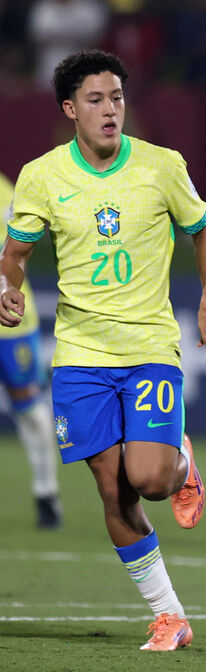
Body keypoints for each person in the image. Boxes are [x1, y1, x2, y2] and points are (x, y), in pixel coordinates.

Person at [0, 50, 206, 651]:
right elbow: (16, 254)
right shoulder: (41, 177)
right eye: (96, 100)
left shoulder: (162, 167)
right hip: (80, 355)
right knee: (114, 491)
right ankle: (169, 615)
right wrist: (8, 287)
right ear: (69, 109)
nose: (110, 111)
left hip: (149, 346)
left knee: (152, 481)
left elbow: (204, 231)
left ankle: (181, 462)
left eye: (117, 98)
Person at [0, 172, 62, 529]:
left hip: (10, 324)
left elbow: (19, 251)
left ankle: (46, 492)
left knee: (30, 408)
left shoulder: (8, 194)